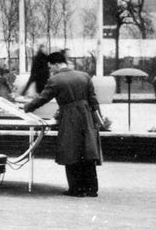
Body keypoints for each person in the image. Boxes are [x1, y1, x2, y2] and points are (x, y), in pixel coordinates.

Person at [24, 50, 105, 197]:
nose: (50, 70)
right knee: (87, 152)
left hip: (69, 118)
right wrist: (99, 120)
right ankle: (92, 189)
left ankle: (76, 189)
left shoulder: (56, 80)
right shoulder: (84, 76)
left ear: (55, 64)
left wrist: (26, 108)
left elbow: (43, 98)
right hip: (86, 117)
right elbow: (94, 101)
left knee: (71, 151)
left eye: (50, 67)